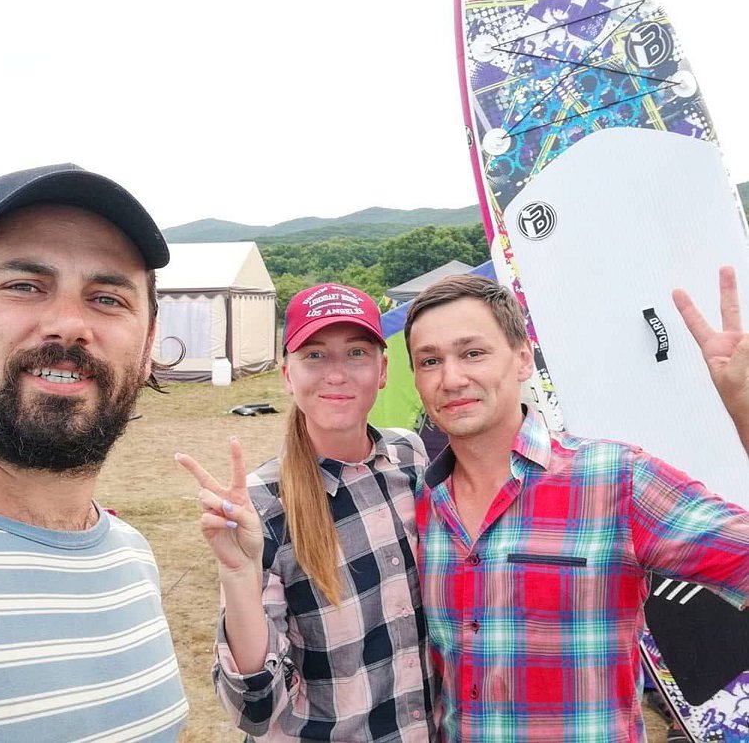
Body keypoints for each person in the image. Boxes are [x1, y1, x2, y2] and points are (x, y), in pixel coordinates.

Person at [403, 272, 749, 743]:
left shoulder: (615, 479)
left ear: (523, 358)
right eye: (430, 361)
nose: (451, 378)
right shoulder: (419, 504)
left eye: (473, 353)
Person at [0, 164, 188, 740]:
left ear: (148, 345)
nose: (70, 325)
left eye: (107, 298)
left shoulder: (130, 558)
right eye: (24, 286)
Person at [178, 283, 437, 741]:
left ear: (382, 370)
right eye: (314, 355)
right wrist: (238, 575)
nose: (336, 374)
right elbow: (255, 711)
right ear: (287, 375)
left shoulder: (410, 457)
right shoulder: (260, 504)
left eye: (356, 353)